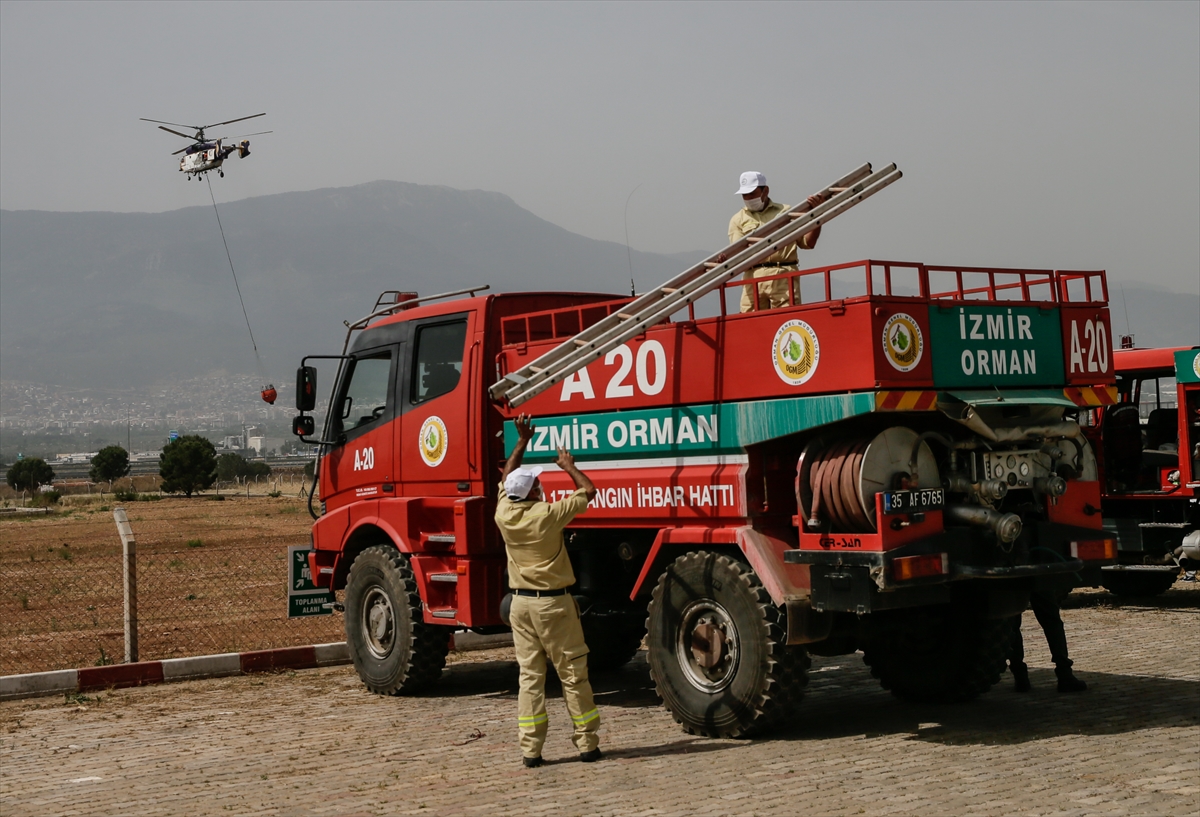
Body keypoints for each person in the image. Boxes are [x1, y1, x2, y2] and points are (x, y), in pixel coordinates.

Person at [495, 413, 600, 768]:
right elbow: (588, 491)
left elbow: (508, 477)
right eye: (538, 485)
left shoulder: (504, 513)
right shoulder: (547, 514)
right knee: (572, 674)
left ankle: (531, 751)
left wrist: (522, 441)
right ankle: (587, 745)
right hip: (553, 607)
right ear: (535, 493)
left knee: (530, 679)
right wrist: (568, 465)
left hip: (520, 606)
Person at [729, 171, 829, 313]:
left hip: (783, 275)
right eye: (745, 195)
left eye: (752, 193)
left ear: (765, 190)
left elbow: (808, 243)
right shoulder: (738, 219)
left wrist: (817, 217)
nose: (748, 198)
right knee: (751, 325)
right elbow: (738, 254)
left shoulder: (786, 212)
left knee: (786, 321)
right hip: (753, 277)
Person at [1008, 582, 1088, 693]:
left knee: (1013, 623)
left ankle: (1020, 676)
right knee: (1052, 621)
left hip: (1015, 573)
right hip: (1036, 572)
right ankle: (1064, 673)